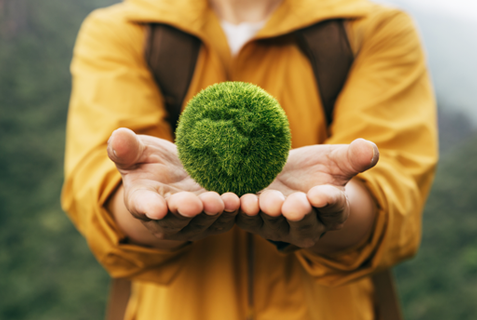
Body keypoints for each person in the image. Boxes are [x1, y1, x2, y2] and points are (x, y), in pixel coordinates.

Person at [61, 0, 438, 319]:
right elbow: (100, 184)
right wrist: (150, 208)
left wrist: (335, 207)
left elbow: (395, 183)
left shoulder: (373, 29)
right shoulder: (124, 30)